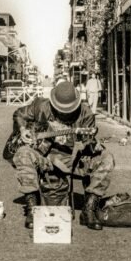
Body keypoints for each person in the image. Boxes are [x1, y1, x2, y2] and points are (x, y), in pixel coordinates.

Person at [11, 77, 114, 231]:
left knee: (107, 158)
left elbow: (88, 145)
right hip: (44, 157)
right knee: (23, 153)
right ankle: (32, 207)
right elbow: (19, 114)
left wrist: (86, 144)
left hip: (74, 159)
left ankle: (89, 208)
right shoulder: (40, 106)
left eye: (69, 111)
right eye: (61, 110)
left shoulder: (86, 115)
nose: (65, 114)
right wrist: (23, 130)